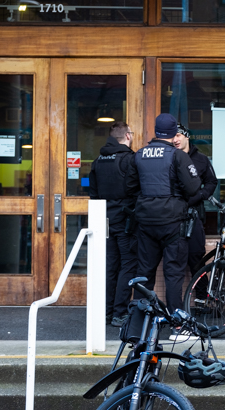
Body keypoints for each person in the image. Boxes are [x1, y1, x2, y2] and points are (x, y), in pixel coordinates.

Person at [125, 113, 201, 339]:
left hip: (146, 222)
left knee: (144, 273)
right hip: (173, 222)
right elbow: (194, 187)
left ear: (156, 131)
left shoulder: (139, 155)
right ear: (173, 133)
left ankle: (138, 329)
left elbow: (130, 188)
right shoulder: (178, 156)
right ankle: (178, 327)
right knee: (173, 274)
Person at [89, 122, 138, 327]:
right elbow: (135, 190)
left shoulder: (98, 161)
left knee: (110, 266)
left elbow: (93, 193)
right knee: (128, 264)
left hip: (104, 221)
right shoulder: (130, 160)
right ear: (127, 136)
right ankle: (119, 313)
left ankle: (106, 313)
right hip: (125, 220)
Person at [173, 123, 218, 297]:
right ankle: (174, 305)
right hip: (174, 216)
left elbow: (212, 182)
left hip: (194, 216)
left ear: (186, 136)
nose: (175, 140)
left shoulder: (201, 159)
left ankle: (201, 298)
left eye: (178, 135)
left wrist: (200, 195)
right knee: (175, 261)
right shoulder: (170, 156)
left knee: (197, 260)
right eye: (173, 136)